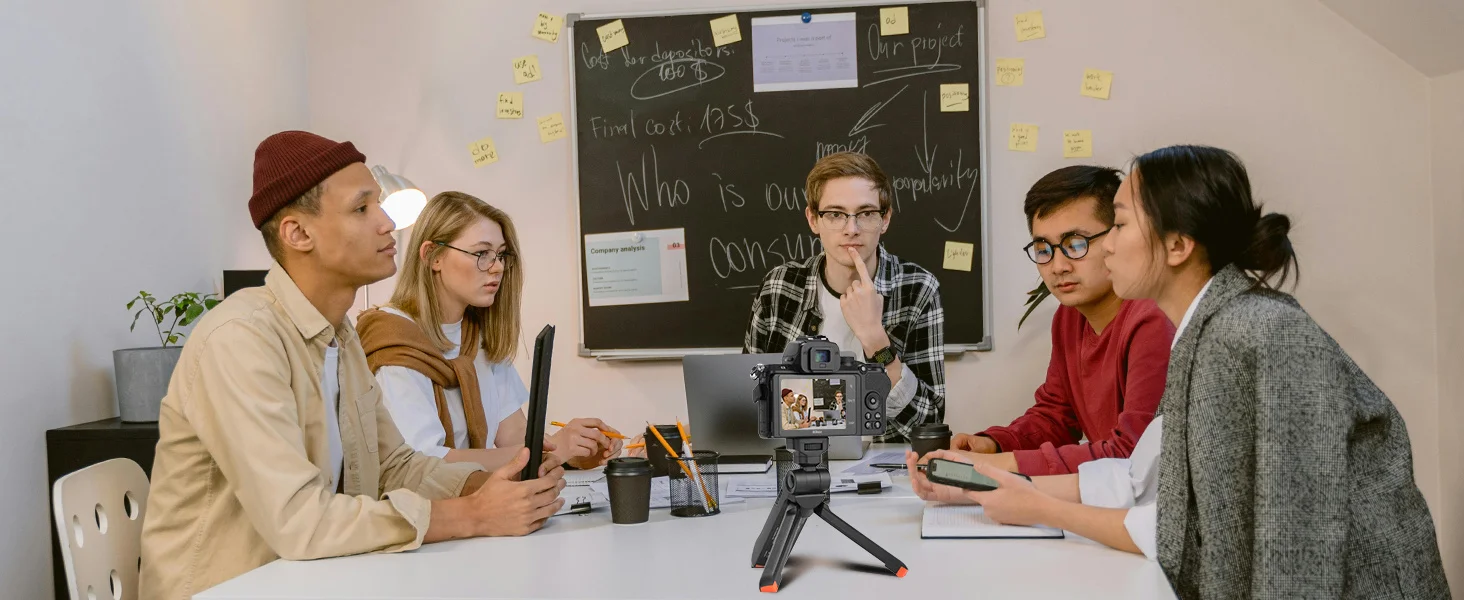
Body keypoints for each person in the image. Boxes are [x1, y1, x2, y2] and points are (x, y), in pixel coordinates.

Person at [908, 145, 1448, 597]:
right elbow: (1151, 486)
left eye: (1118, 225)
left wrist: (1030, 495)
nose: (1102, 247)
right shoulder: (1205, 329)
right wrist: (1010, 487)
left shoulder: (1262, 332)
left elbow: (1296, 547)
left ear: (1178, 245)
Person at [141, 132, 567, 600]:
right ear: (298, 234)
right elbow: (299, 520)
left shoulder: (341, 339)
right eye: (362, 208)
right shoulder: (241, 340)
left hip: (308, 581)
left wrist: (496, 486)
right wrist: (472, 514)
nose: (387, 223)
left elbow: (395, 466)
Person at [358, 192, 622, 472]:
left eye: (501, 255)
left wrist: (572, 452)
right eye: (481, 254)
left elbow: (515, 436)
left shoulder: (477, 337)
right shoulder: (394, 341)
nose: (497, 267)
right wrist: (545, 451)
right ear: (432, 256)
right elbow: (424, 462)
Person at [947, 166, 1173, 475]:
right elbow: (1056, 417)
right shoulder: (1069, 318)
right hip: (1110, 493)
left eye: (1076, 244)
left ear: (1115, 238)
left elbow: (1133, 453)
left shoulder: (1153, 319)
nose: (1058, 266)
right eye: (1043, 249)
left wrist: (999, 465)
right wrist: (993, 444)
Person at [744, 151, 946, 442]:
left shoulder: (918, 289)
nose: (852, 229)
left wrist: (876, 340)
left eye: (866, 214)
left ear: (885, 219)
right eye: (836, 214)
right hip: (794, 458)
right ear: (813, 220)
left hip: (883, 464)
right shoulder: (778, 287)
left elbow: (930, 423)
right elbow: (748, 399)